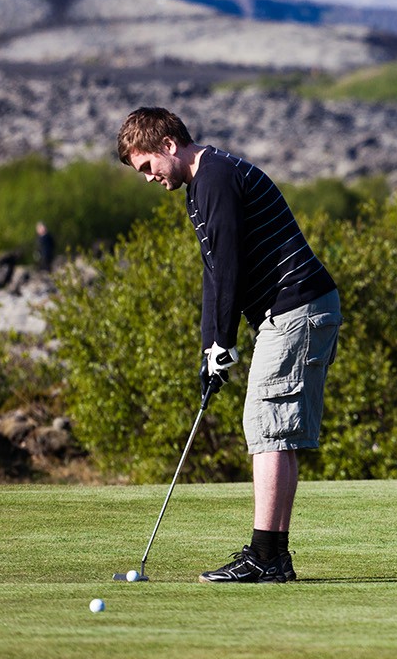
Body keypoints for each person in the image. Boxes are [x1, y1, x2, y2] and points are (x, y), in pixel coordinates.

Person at [116, 107, 341, 584]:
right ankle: (273, 558)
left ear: (168, 146)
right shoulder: (201, 187)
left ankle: (265, 556)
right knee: (272, 429)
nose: (149, 178)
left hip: (295, 307)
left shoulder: (214, 177)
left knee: (267, 427)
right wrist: (210, 348)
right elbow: (215, 275)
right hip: (291, 311)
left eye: (147, 166)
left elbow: (232, 267)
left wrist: (225, 343)